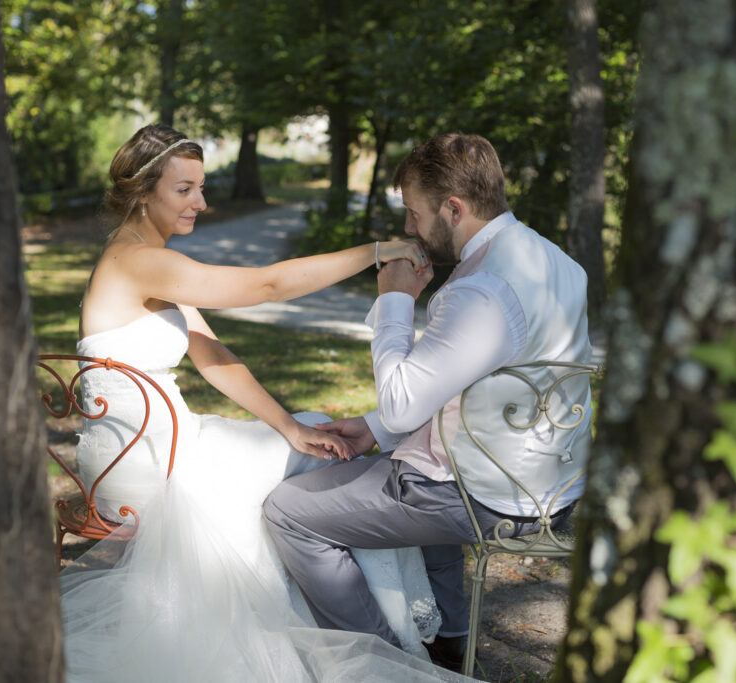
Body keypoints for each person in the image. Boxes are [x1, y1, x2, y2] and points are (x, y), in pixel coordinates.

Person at [59, 124, 472, 682]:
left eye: (201, 188)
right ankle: (391, 642)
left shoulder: (149, 258)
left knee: (313, 433)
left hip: (157, 442)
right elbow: (266, 288)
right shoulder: (138, 261)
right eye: (185, 190)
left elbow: (211, 354)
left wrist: (286, 426)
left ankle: (376, 631)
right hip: (144, 464)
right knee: (337, 462)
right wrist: (375, 251)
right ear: (141, 191)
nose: (201, 203)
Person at [264, 133, 592, 671]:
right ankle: (450, 642)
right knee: (404, 461)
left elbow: (401, 405)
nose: (410, 229)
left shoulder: (484, 287)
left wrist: (394, 297)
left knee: (289, 512)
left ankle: (384, 666)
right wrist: (373, 429)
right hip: (550, 483)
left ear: (453, 208)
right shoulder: (556, 262)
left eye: (414, 215)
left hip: (486, 496)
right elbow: (454, 382)